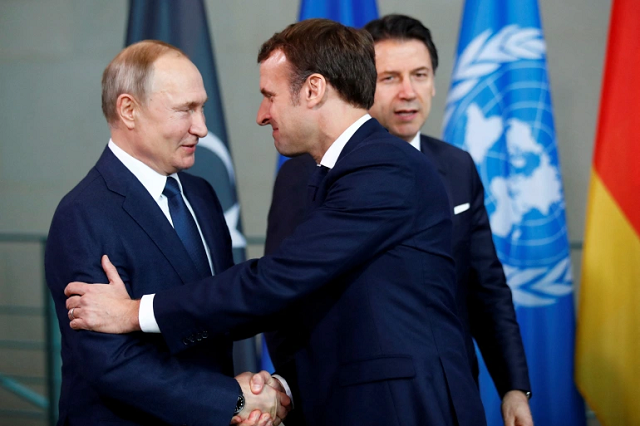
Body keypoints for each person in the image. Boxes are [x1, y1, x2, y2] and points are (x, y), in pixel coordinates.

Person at [64, 20, 486, 426]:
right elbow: (290, 296)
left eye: (270, 94)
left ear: (314, 89)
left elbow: (275, 281)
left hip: (402, 407)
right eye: (185, 109)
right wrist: (256, 392)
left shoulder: (383, 170)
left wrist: (135, 312)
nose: (262, 114)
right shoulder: (82, 213)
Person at [265, 14, 533, 426]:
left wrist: (513, 387)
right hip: (353, 401)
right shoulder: (304, 173)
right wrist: (301, 390)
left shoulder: (457, 166)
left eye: (420, 74)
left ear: (435, 82)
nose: (408, 91)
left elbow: (486, 287)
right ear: (360, 83)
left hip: (449, 393)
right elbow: (282, 293)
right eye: (390, 77)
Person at [45, 40, 288, 426]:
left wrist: (255, 391)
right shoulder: (82, 214)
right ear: (129, 110)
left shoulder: (202, 195)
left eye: (202, 106)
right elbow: (111, 363)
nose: (202, 128)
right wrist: (232, 400)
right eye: (185, 110)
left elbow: (219, 308)